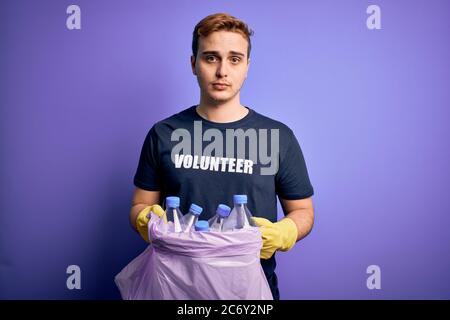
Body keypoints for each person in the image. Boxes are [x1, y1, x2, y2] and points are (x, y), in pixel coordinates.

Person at [129, 13, 314, 300]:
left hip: (250, 293)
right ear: (193, 64)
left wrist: (285, 231)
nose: (222, 71)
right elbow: (141, 204)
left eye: (235, 59)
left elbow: (303, 211)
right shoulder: (163, 133)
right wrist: (143, 218)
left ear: (247, 67)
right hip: (175, 292)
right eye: (211, 58)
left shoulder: (278, 136)